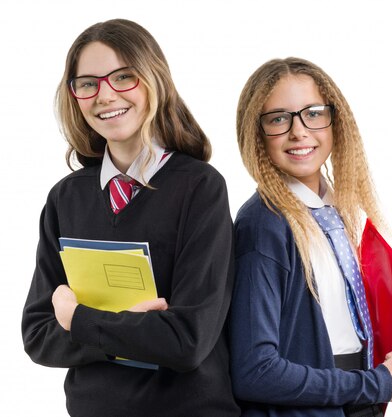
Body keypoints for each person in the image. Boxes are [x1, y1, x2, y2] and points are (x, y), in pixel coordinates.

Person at [21, 19, 239, 417]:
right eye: (87, 83)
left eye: (123, 77)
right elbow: (37, 335)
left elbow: (188, 341)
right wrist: (124, 326)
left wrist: (78, 319)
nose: (104, 95)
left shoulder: (200, 189)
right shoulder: (65, 199)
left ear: (153, 79)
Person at [228, 57, 392, 417]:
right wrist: (378, 383)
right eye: (278, 119)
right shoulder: (265, 224)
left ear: (335, 120)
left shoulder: (333, 210)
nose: (299, 132)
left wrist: (390, 357)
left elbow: (335, 326)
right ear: (256, 134)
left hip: (349, 402)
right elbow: (254, 371)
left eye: (314, 113)